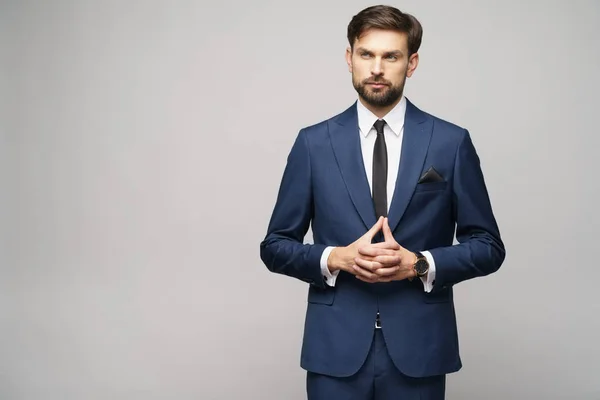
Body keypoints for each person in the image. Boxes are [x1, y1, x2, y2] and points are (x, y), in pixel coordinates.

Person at [259, 5, 505, 399]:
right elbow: (274, 246)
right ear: (349, 59)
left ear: (411, 63)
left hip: (420, 348)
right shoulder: (313, 144)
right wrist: (334, 259)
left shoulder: (450, 142)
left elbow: (489, 247)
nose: (377, 67)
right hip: (334, 350)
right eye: (366, 54)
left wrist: (419, 264)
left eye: (390, 56)